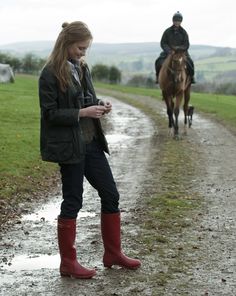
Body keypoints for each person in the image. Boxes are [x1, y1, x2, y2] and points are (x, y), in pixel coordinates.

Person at [39, 21, 141, 279]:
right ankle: (68, 263)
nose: (83, 53)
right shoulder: (49, 73)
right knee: (73, 201)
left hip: (92, 144)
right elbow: (50, 114)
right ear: (67, 43)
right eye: (80, 48)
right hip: (70, 148)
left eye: (86, 48)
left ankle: (113, 253)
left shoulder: (82, 68)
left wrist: (99, 104)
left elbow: (86, 100)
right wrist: (82, 112)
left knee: (111, 195)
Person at [155, 11, 195, 84]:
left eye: (178, 21)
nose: (177, 22)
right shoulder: (167, 31)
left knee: (190, 62)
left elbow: (186, 45)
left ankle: (191, 78)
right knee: (158, 61)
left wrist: (179, 49)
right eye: (175, 21)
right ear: (173, 21)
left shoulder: (184, 32)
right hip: (168, 52)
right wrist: (169, 50)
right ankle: (158, 77)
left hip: (181, 53)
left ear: (181, 22)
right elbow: (163, 43)